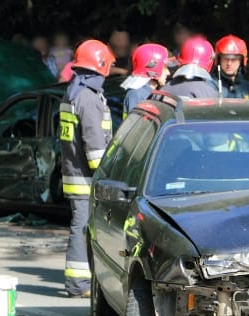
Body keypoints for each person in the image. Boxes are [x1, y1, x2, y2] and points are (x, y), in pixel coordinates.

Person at [59, 40, 115, 297]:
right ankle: (79, 285)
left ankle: (82, 283)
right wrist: (107, 172)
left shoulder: (72, 93)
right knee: (83, 228)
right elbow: (94, 146)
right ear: (100, 66)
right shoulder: (88, 99)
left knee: (82, 226)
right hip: (87, 178)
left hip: (74, 173)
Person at [121, 43, 170, 117]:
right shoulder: (135, 94)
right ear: (153, 69)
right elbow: (135, 126)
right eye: (165, 68)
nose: (168, 73)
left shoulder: (154, 92)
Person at [213, 35, 249, 99]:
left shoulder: (248, 88)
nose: (229, 63)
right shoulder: (210, 86)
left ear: (241, 61)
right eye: (225, 59)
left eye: (234, 59)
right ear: (218, 60)